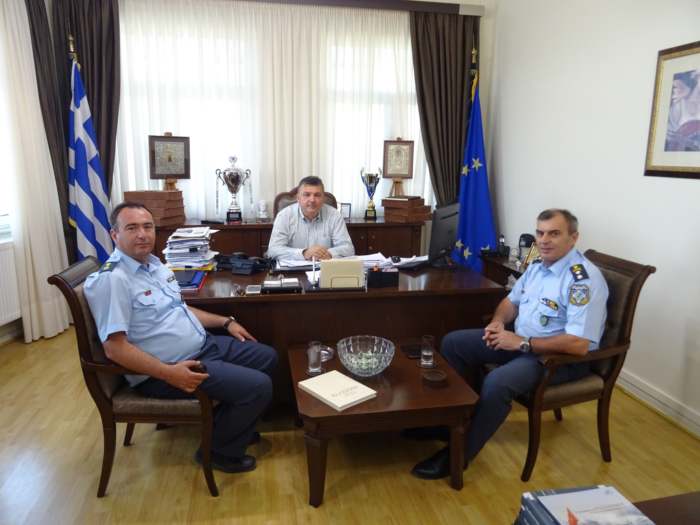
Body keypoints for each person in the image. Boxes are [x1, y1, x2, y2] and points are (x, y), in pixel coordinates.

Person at [410, 208, 609, 479]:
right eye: (540, 233)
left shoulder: (582, 280)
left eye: (554, 234)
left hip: (557, 360)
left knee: (498, 382)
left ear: (573, 238)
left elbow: (579, 344)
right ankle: (452, 423)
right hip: (521, 343)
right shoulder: (538, 266)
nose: (544, 240)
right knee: (454, 343)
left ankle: (459, 454)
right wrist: (497, 322)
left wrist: (523, 342)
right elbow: (510, 302)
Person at [84, 202, 277, 474]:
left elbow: (180, 308)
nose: (142, 234)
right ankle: (217, 452)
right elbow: (115, 348)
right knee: (258, 387)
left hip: (203, 346)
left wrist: (226, 322)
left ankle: (228, 427)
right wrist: (169, 373)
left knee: (267, 357)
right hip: (170, 369)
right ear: (114, 235)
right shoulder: (112, 280)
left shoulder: (153, 264)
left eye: (147, 227)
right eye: (132, 228)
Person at [266, 176, 354, 260]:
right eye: (307, 195)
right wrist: (304, 253)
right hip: (293, 269)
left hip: (324, 267)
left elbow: (348, 248)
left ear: (323, 198)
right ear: (298, 198)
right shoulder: (284, 216)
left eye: (317, 195)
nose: (312, 200)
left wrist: (329, 253)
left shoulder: (334, 215)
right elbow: (273, 250)